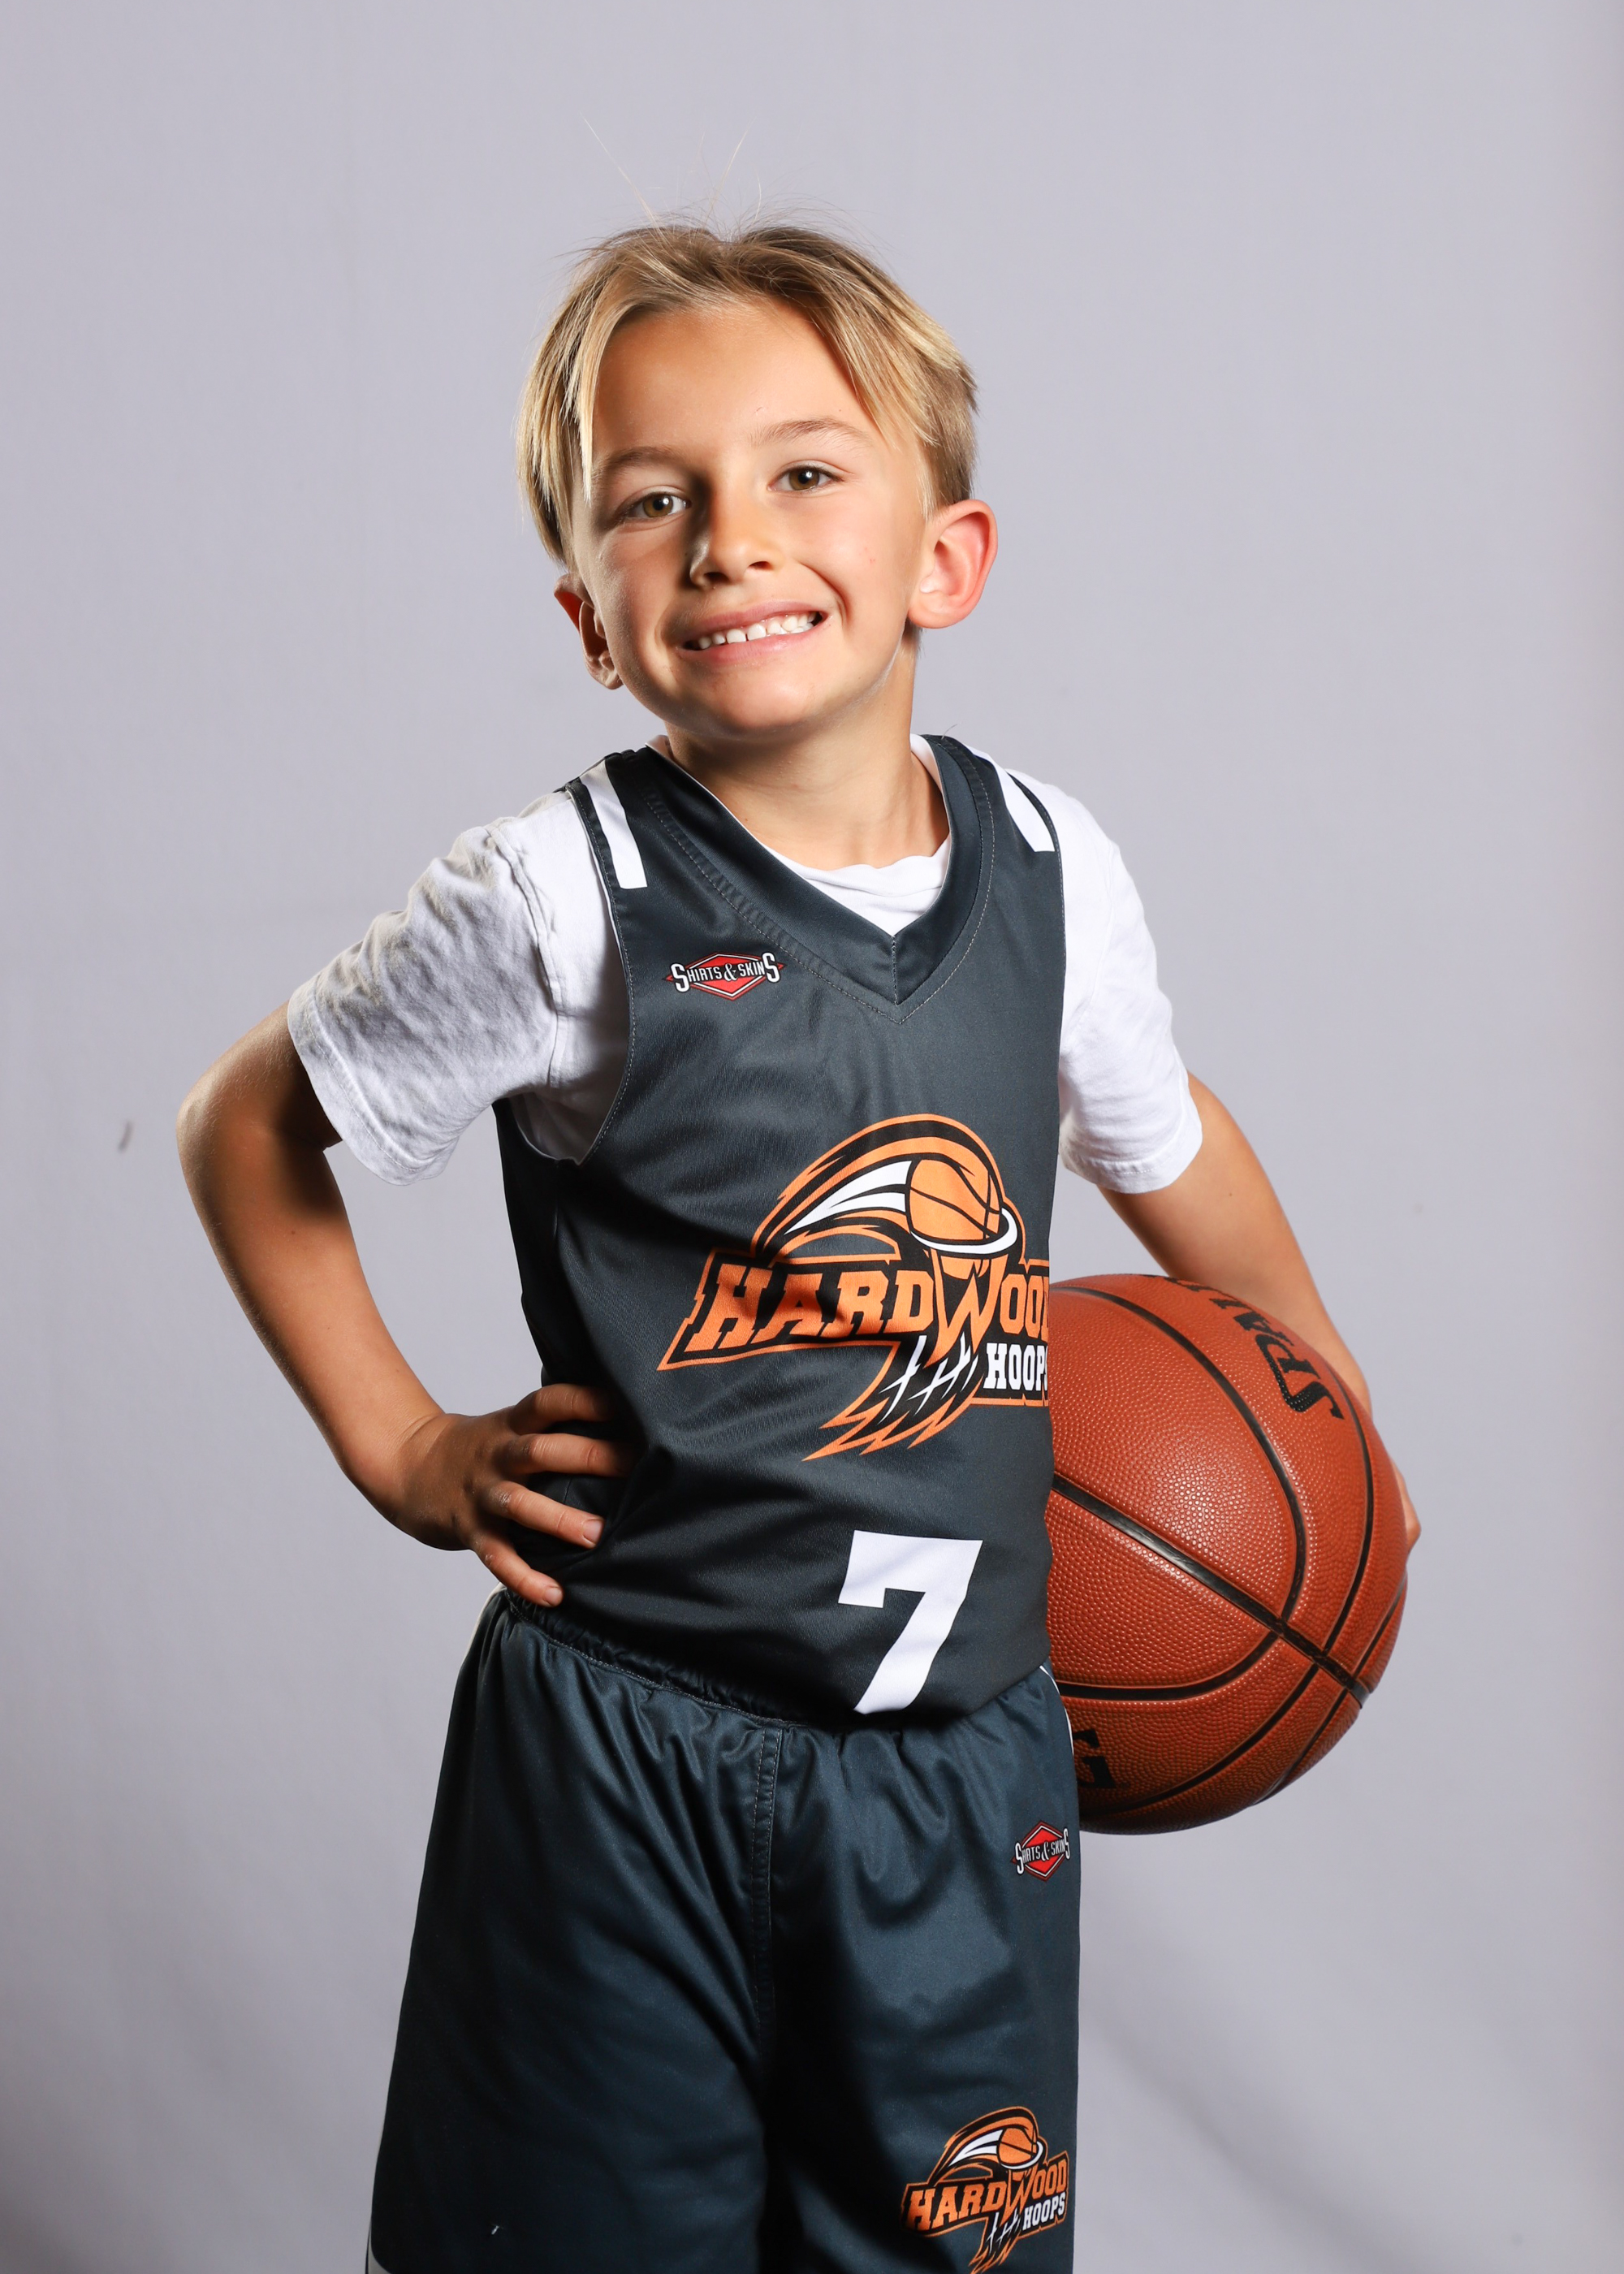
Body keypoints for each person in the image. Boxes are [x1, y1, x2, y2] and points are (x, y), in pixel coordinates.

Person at [178, 222, 1415, 2274]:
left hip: (956, 1765)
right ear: (591, 618)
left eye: (804, 471)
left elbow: (1169, 1142)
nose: (730, 538)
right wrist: (402, 1443)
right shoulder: (554, 897)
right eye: (651, 501)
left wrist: (1322, 1389)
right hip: (628, 1748)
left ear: (947, 556)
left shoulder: (1053, 870)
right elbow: (248, 1124)